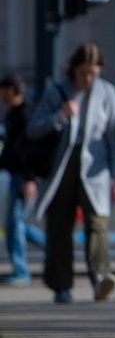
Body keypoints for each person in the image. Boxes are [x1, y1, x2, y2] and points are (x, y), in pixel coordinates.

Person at [28, 43, 115, 304]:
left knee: (98, 223)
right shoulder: (56, 92)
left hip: (95, 168)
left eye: (93, 73)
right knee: (59, 225)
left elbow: (114, 137)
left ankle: (101, 277)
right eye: (83, 73)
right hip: (62, 167)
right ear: (74, 70)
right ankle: (61, 285)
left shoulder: (107, 93)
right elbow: (33, 128)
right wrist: (60, 115)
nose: (88, 79)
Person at [0, 74, 46, 286]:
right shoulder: (14, 114)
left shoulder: (26, 114)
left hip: (23, 177)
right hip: (17, 175)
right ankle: (55, 248)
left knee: (15, 223)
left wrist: (30, 178)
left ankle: (21, 271)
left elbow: (31, 149)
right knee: (16, 224)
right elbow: (10, 149)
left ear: (11, 90)